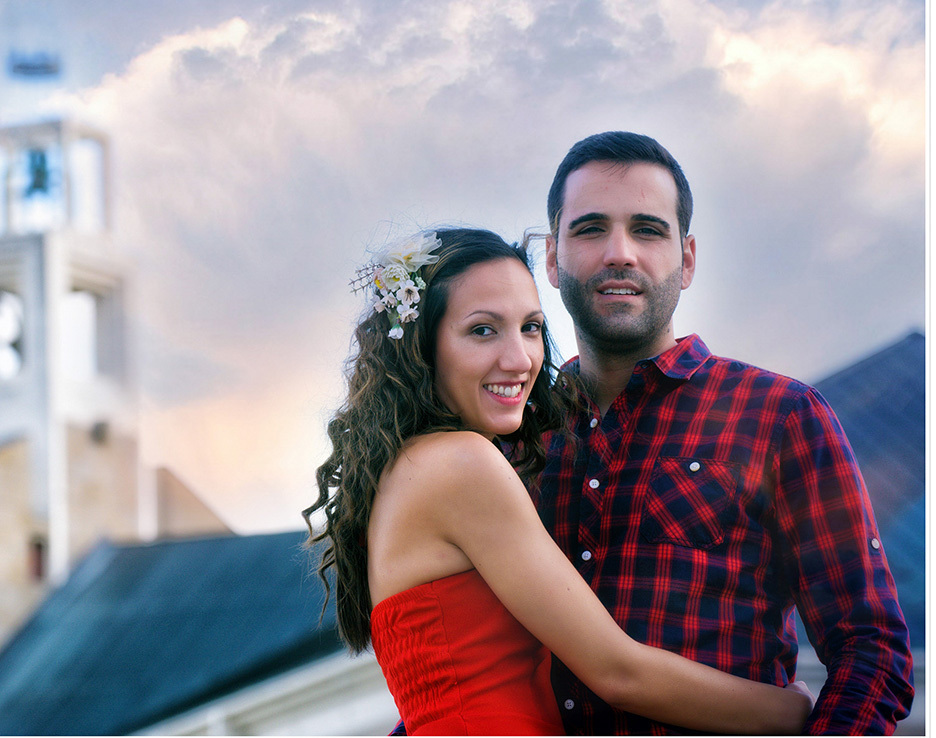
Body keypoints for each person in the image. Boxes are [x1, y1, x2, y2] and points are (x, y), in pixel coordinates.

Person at [304, 227, 813, 735]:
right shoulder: (461, 464)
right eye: (483, 330)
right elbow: (616, 672)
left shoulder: (403, 469)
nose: (521, 359)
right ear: (419, 346)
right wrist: (790, 712)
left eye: (530, 327)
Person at [537, 130, 914, 734]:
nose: (620, 253)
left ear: (686, 260)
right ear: (552, 259)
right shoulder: (516, 440)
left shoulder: (780, 416)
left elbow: (871, 650)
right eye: (589, 229)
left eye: (647, 229)